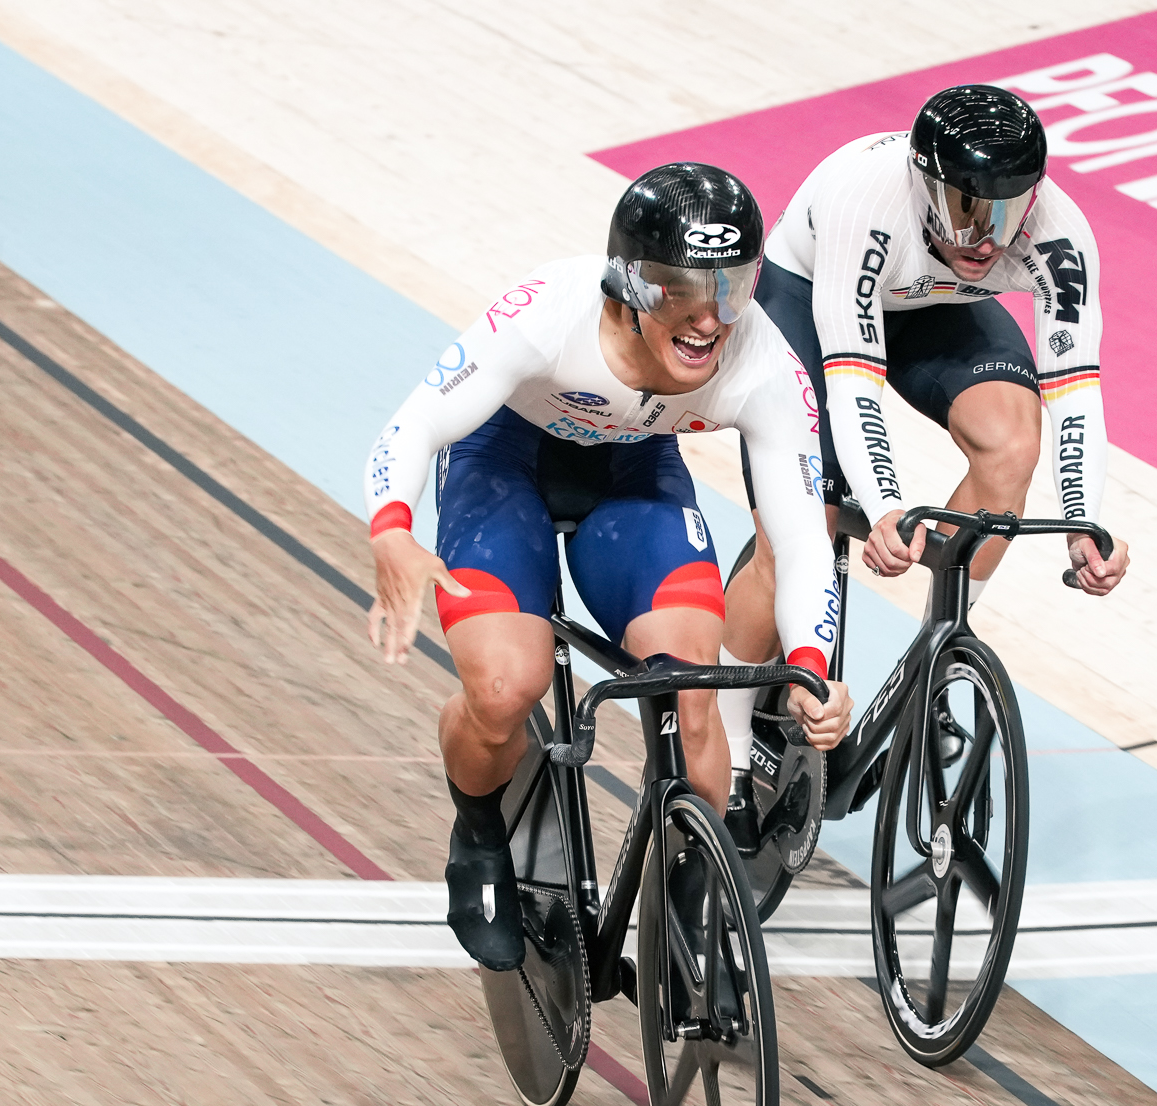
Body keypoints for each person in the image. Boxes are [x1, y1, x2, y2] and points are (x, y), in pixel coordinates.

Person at [365, 163, 853, 970]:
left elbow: (800, 540)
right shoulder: (546, 313)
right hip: (504, 463)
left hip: (632, 477)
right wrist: (392, 529)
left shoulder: (762, 360)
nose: (709, 322)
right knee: (503, 690)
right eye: (681, 295)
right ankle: (480, 831)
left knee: (694, 688)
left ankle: (697, 898)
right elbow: (413, 425)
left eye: (730, 291)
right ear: (628, 284)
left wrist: (809, 666)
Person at [717, 84, 1132, 850]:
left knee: (1013, 438)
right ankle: (727, 755)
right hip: (815, 299)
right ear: (922, 181)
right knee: (800, 524)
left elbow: (1077, 392)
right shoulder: (864, 200)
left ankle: (936, 653)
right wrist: (880, 506)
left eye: (1008, 213)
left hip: (933, 304)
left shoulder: (1060, 234)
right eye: (968, 209)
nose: (987, 234)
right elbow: (851, 378)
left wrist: (1084, 521)